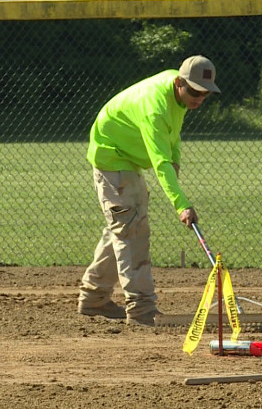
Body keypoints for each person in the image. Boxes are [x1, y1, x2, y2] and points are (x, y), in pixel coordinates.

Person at [77, 55, 221, 326]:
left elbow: (172, 135)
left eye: (205, 94)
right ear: (179, 82)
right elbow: (160, 162)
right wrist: (181, 204)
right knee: (133, 230)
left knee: (124, 226)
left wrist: (175, 159)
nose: (199, 98)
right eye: (194, 91)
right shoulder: (155, 106)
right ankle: (142, 308)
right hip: (112, 156)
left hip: (128, 158)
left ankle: (94, 298)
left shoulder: (177, 96)